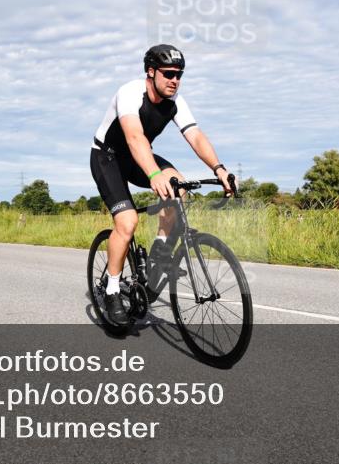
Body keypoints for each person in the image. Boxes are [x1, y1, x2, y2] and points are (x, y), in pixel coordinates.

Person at [89, 44, 233, 325]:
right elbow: (134, 137)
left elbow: (195, 136)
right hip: (108, 158)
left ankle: (160, 251)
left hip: (137, 157)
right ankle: (113, 289)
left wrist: (219, 168)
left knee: (180, 189)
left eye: (179, 75)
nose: (174, 80)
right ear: (151, 72)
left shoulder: (176, 100)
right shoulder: (130, 93)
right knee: (127, 223)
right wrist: (154, 175)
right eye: (168, 74)